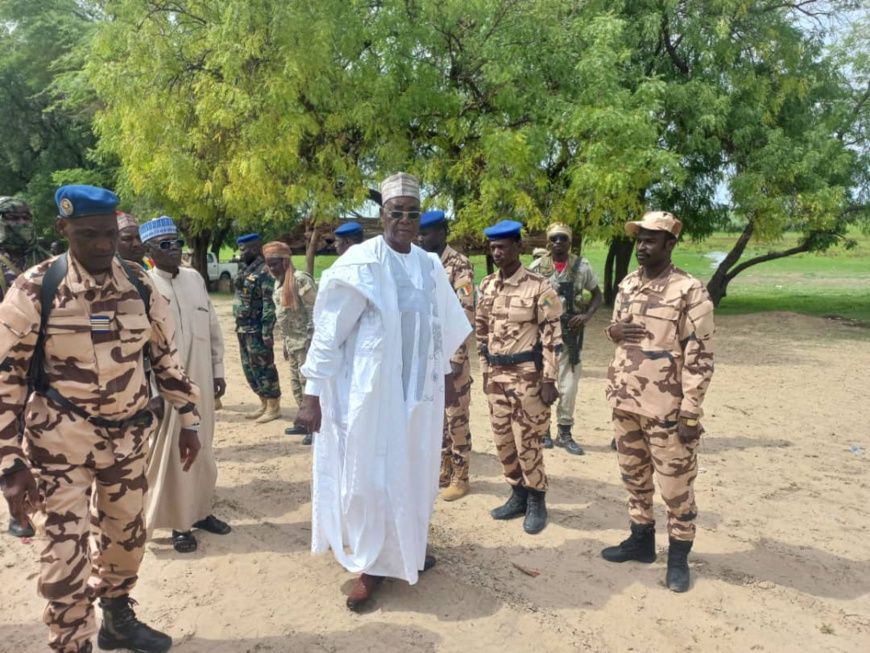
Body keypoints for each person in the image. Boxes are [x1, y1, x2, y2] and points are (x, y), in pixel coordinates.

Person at [0, 185, 202, 653]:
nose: (102, 245)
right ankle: (72, 641)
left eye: (109, 233)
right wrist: (9, 463)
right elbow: (7, 379)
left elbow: (165, 359)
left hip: (127, 442)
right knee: (64, 553)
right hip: (59, 444)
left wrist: (189, 420)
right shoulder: (35, 288)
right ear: (63, 228)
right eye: (88, 234)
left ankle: (116, 619)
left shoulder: (139, 284)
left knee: (126, 540)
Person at [295, 172, 470, 612]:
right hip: (372, 399)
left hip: (419, 397)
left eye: (413, 214)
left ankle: (408, 549)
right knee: (371, 480)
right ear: (382, 215)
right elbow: (329, 333)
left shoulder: (429, 265)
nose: (405, 221)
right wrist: (312, 395)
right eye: (397, 212)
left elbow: (443, 326)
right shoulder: (360, 264)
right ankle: (372, 565)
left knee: (416, 475)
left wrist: (448, 378)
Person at [600, 211, 714, 593]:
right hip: (626, 401)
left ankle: (678, 557)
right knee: (634, 476)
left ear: (670, 244)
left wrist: (690, 413)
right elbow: (617, 331)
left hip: (666, 409)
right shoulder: (628, 284)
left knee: (676, 487)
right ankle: (641, 541)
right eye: (639, 239)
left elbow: (700, 357)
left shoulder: (689, 291)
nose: (642, 246)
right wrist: (612, 330)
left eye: (651, 240)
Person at [140, 216, 230, 554]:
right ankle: (180, 524)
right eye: (165, 245)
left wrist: (218, 370)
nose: (175, 249)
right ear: (149, 251)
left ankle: (201, 511)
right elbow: (141, 349)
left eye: (177, 242)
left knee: (203, 446)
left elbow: (213, 327)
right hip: (167, 387)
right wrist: (152, 393)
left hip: (202, 379)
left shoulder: (194, 279)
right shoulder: (145, 285)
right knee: (175, 456)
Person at [476, 220, 562, 535]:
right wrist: (485, 371)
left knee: (528, 441)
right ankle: (517, 494)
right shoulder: (487, 285)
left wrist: (549, 380)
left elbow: (552, 335)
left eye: (502, 247)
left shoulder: (540, 287)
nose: (497, 253)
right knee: (503, 441)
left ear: (518, 247)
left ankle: (537, 500)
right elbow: (481, 331)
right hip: (497, 376)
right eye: (493, 248)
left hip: (527, 377)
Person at [0, 195, 50, 538]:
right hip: (6, 366)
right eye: (12, 218)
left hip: (42, 363)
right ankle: (17, 513)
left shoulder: (44, 259)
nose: (21, 224)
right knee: (10, 442)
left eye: (25, 218)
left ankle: (43, 502)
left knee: (43, 434)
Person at [529, 223, 602, 454]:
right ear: (548, 242)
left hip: (571, 334)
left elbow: (597, 295)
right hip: (544, 335)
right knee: (543, 381)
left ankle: (565, 432)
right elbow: (528, 299)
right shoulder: (537, 268)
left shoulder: (582, 266)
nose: (559, 243)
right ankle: (544, 431)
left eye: (563, 238)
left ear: (570, 242)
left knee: (568, 386)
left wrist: (586, 316)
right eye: (554, 239)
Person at [418, 209, 475, 501]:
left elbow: (466, 313)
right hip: (430, 355)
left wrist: (456, 360)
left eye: (425, 233)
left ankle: (461, 476)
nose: (420, 238)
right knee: (437, 417)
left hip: (452, 356)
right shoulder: (424, 263)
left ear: (441, 232)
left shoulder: (459, 265)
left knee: (456, 417)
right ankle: (444, 468)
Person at [262, 241, 318, 444]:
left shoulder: (300, 280)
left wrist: (311, 340)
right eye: (269, 264)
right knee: (295, 384)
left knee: (307, 385)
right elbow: (284, 318)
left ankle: (315, 427)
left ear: (285, 262)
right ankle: (304, 422)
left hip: (305, 343)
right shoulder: (278, 284)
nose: (271, 268)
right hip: (292, 343)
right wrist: (285, 343)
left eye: (275, 264)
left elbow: (315, 310)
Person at [233, 233, 281, 423]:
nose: (241, 253)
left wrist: (267, 330)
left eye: (243, 250)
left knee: (264, 367)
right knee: (249, 368)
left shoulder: (264, 271)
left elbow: (269, 303)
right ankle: (263, 403)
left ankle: (274, 407)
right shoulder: (245, 270)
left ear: (254, 249)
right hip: (243, 328)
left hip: (257, 329)